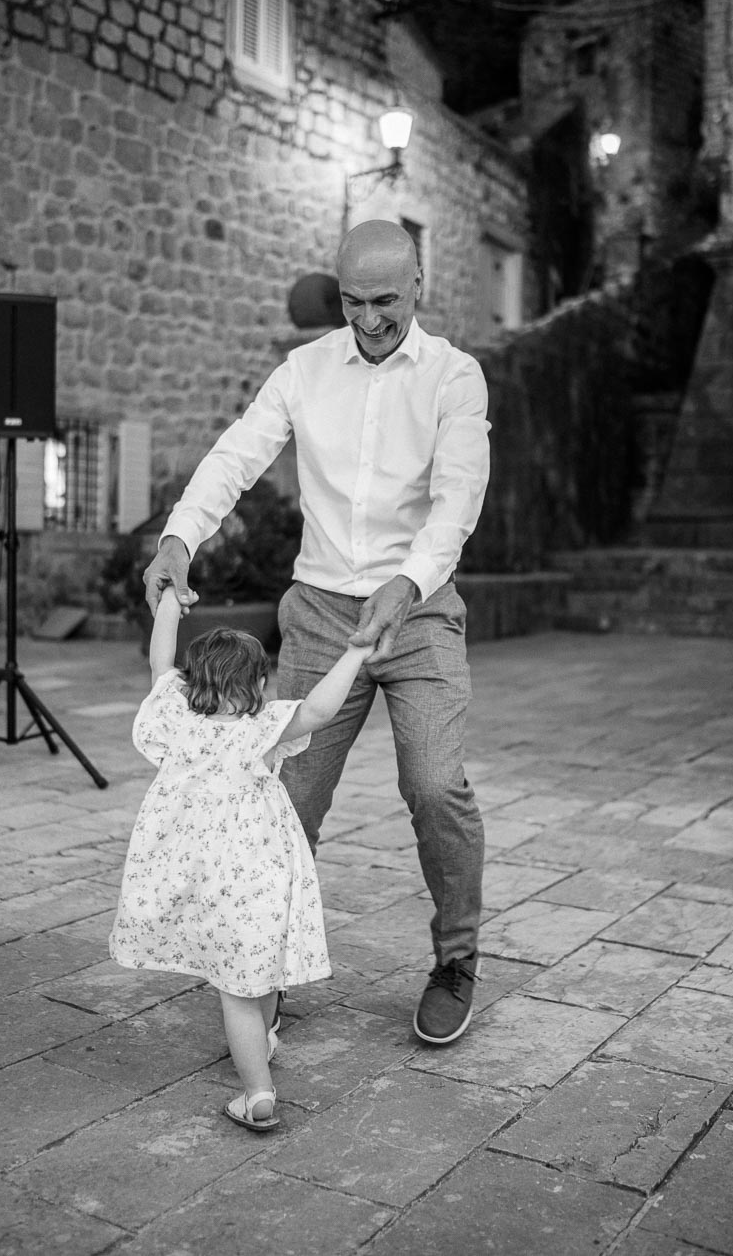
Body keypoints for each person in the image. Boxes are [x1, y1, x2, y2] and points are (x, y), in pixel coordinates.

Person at [144, 219, 490, 1045]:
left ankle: (456, 958)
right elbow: (235, 456)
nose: (368, 320)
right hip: (322, 613)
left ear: (419, 286)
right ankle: (261, 960)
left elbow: (459, 497)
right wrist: (179, 536)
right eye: (352, 301)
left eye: (385, 301)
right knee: (282, 798)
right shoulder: (303, 371)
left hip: (419, 608)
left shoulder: (454, 377)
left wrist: (407, 583)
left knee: (434, 785)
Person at [110, 585, 375, 1131]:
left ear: (192, 682)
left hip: (197, 882)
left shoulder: (176, 718)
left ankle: (260, 1061)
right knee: (248, 978)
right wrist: (356, 652)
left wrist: (169, 604)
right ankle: (257, 1091)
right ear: (257, 685)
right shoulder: (261, 729)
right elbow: (320, 709)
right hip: (258, 879)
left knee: (238, 981)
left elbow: (160, 660)